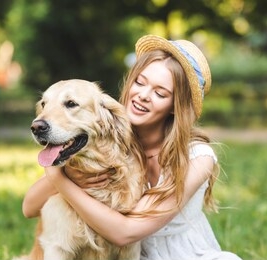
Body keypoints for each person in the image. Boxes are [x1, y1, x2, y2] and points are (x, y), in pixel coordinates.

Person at [22, 35, 241, 260]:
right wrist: (59, 171)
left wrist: (59, 179)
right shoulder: (112, 145)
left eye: (159, 93)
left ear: (177, 106)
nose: (143, 95)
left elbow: (125, 233)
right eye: (140, 82)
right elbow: (29, 208)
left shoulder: (198, 158)